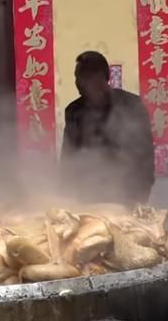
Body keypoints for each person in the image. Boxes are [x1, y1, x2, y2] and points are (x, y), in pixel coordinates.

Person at [61, 51, 155, 206]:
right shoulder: (73, 110)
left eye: (81, 78)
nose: (76, 83)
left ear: (100, 79)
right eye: (76, 77)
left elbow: (145, 156)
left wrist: (139, 196)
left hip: (127, 194)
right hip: (88, 197)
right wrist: (67, 197)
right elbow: (68, 158)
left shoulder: (132, 105)